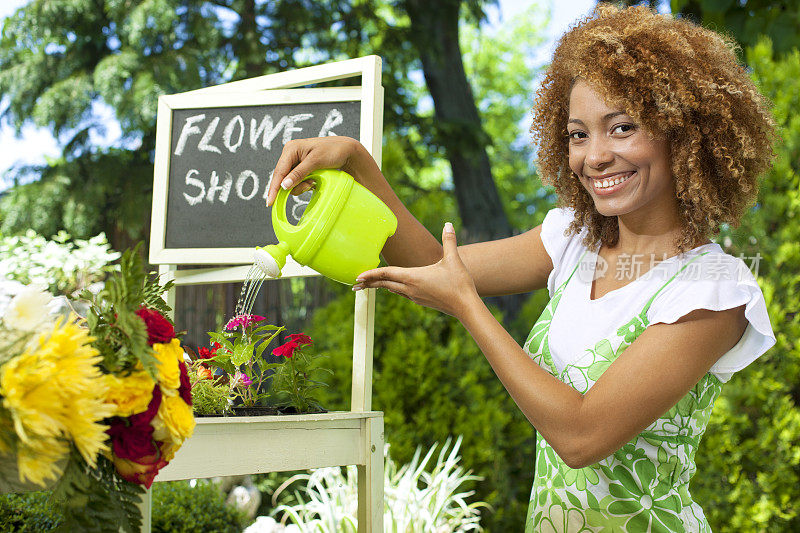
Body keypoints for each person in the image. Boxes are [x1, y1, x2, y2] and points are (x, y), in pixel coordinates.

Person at [266, 5, 776, 531]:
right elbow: (432, 265)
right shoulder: (572, 242)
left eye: (621, 128)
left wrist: (468, 308)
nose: (595, 156)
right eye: (578, 134)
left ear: (684, 135)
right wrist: (359, 163)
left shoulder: (713, 290)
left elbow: (581, 436)